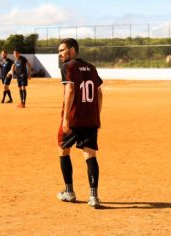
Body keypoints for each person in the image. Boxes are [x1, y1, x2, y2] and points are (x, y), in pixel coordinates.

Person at [56, 38, 103, 208]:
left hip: (74, 118)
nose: (60, 54)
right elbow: (99, 93)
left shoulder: (68, 67)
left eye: (62, 50)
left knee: (63, 150)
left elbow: (69, 90)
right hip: (91, 119)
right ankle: (94, 197)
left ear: (72, 50)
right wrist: (97, 116)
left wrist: (66, 118)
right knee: (90, 155)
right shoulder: (91, 67)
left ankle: (69, 192)